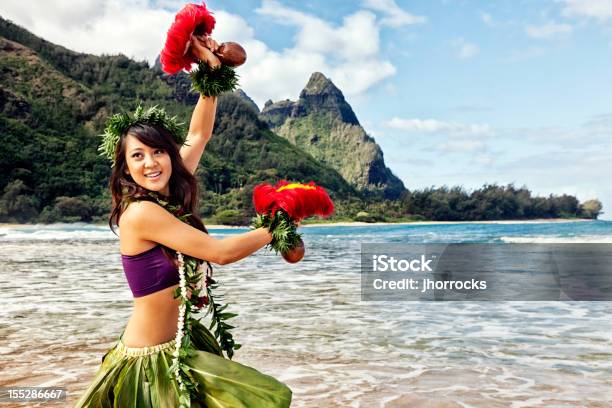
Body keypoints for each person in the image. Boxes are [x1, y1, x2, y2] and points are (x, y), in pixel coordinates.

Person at [75, 36, 292, 407]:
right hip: (149, 364)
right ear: (125, 167)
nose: (151, 163)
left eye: (158, 151)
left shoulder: (166, 192)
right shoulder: (141, 212)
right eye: (138, 155)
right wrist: (277, 226)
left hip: (180, 345)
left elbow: (199, 133)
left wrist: (210, 73)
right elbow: (219, 252)